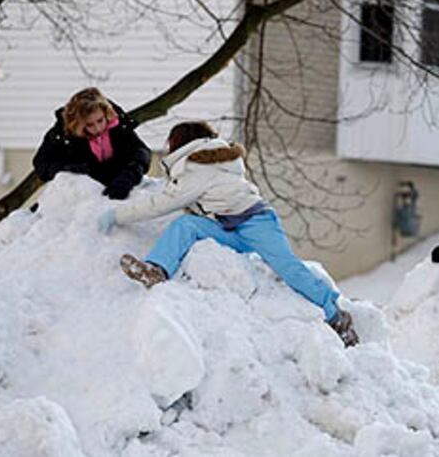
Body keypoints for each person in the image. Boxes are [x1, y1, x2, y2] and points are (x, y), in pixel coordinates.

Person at [97, 121, 359, 347]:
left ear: (182, 143)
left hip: (257, 223)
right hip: (226, 227)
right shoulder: (204, 162)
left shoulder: (197, 166)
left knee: (288, 268)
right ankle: (156, 269)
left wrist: (117, 215)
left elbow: (164, 203)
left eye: (170, 143)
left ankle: (335, 314)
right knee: (185, 226)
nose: (168, 148)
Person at [33, 87, 151, 200]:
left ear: (106, 114)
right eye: (90, 124)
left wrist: (130, 175)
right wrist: (65, 168)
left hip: (119, 188)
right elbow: (41, 163)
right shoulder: (63, 136)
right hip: (78, 197)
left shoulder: (119, 127)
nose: (98, 128)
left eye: (100, 120)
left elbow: (141, 152)